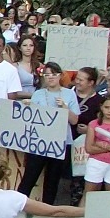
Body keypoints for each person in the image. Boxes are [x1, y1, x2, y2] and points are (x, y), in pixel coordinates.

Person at [16, 62, 79, 205]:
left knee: (52, 181)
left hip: (60, 142)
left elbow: (74, 120)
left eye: (54, 74)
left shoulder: (69, 94)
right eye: (47, 75)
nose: (50, 78)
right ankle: (18, 206)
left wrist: (65, 107)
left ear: (60, 76)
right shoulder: (38, 94)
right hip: (39, 141)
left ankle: (46, 211)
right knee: (29, 177)